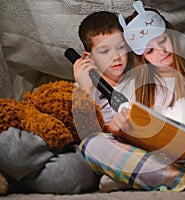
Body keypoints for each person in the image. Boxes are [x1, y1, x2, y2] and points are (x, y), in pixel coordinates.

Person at [79, 1, 185, 192]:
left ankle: (143, 179)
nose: (161, 52)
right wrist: (117, 130)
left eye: (163, 41)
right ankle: (184, 178)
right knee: (94, 146)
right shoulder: (132, 86)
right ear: (143, 56)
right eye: (150, 51)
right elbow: (120, 134)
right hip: (155, 158)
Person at [0, 11, 130, 195]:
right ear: (88, 58)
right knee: (22, 146)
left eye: (121, 48)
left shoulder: (134, 85)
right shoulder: (83, 84)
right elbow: (59, 115)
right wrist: (84, 90)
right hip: (50, 135)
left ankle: (9, 178)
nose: (115, 57)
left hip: (84, 150)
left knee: (77, 174)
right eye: (104, 51)